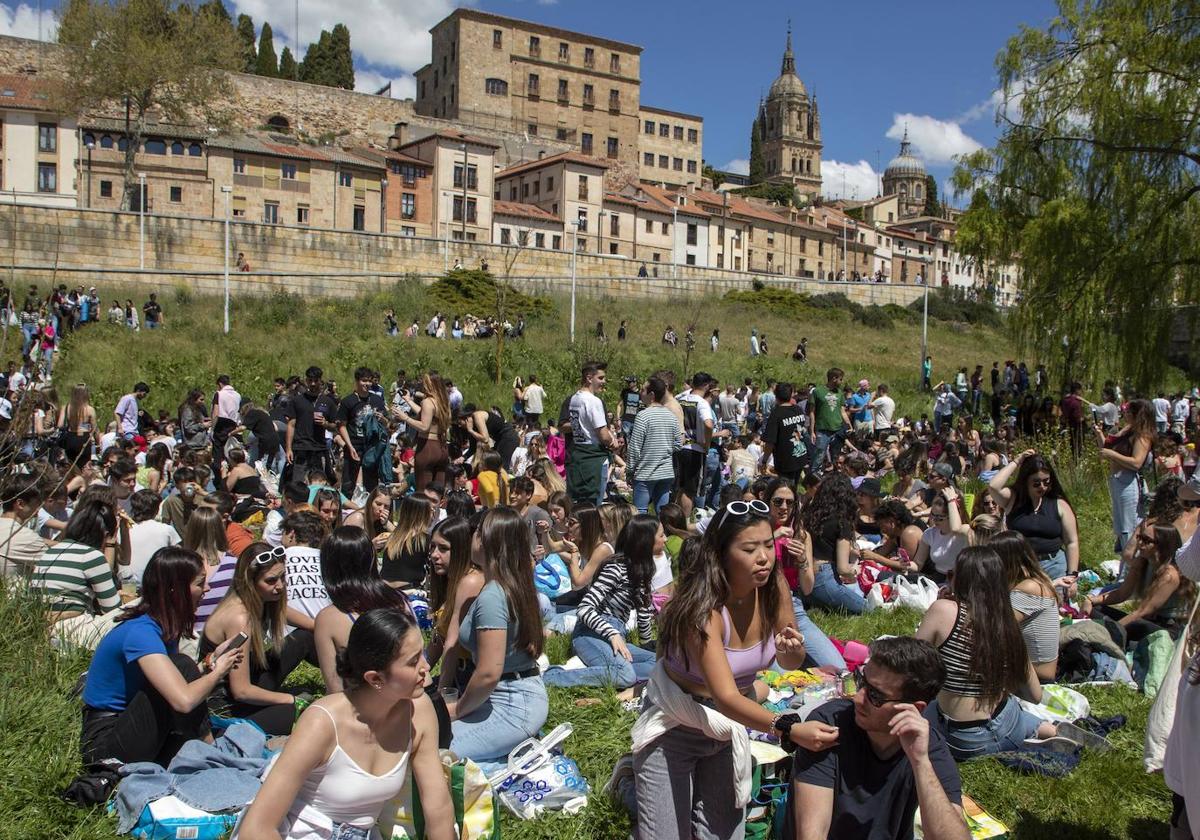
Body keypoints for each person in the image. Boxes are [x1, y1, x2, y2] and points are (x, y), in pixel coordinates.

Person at [633, 500, 836, 839]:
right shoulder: (704, 608)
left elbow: (788, 662)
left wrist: (794, 650)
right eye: (750, 548)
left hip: (727, 727)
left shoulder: (775, 590)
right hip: (676, 724)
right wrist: (787, 728)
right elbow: (725, 697)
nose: (764, 557)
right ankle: (636, 786)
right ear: (722, 553)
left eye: (769, 545)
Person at [235, 609, 454, 840]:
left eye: (422, 655)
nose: (426, 668)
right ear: (375, 678)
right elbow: (257, 828)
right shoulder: (322, 722)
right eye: (413, 662)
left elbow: (437, 806)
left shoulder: (419, 711)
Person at [789, 637, 969, 840]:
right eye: (860, 680)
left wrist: (920, 763)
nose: (857, 697)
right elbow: (811, 834)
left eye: (875, 695)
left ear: (914, 710)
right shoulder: (828, 725)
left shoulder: (928, 747)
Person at [79, 547, 244, 767]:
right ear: (175, 589)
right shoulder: (141, 632)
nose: (207, 588)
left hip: (130, 723)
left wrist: (210, 662)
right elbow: (183, 700)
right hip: (104, 741)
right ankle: (211, 749)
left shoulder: (163, 626)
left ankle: (208, 748)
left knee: (183, 667)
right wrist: (220, 671)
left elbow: (173, 680)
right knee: (183, 665)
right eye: (199, 583)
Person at [915, 546, 1057, 761]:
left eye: (952, 574)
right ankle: (1043, 729)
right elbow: (1035, 696)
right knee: (1010, 708)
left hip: (963, 740)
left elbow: (909, 665)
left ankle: (1036, 730)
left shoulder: (943, 610)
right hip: (1005, 727)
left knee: (930, 709)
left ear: (960, 580)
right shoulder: (1008, 625)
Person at [443, 507, 548, 765]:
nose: (471, 537)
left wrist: (456, 710)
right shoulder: (511, 585)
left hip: (512, 705)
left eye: (477, 531)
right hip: (510, 696)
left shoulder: (493, 595)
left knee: (435, 755)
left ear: (488, 540)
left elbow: (489, 672)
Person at [200, 542, 312, 735]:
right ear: (250, 582)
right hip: (225, 709)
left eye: (283, 577)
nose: (280, 586)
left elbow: (313, 626)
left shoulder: (264, 600)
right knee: (303, 712)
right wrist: (290, 699)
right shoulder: (240, 618)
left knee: (305, 636)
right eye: (271, 581)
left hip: (250, 679)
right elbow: (241, 691)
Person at [543, 514, 660, 689]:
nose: (665, 540)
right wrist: (612, 634)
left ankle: (598, 669)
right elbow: (584, 609)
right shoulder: (616, 568)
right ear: (646, 540)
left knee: (658, 664)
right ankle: (551, 677)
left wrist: (647, 644)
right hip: (590, 633)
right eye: (661, 535)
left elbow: (643, 613)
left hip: (616, 636)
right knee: (626, 675)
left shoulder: (643, 570)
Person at [313, 527, 413, 692]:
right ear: (372, 558)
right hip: (422, 697)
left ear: (328, 568)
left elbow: (335, 689)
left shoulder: (328, 619)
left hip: (375, 709)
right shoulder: (400, 599)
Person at [765, 477, 845, 669]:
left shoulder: (801, 535)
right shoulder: (756, 531)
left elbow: (808, 588)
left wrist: (802, 560)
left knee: (839, 669)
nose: (784, 507)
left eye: (790, 503)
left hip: (793, 607)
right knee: (781, 683)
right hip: (762, 609)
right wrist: (769, 540)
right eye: (778, 501)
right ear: (767, 502)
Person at [1082, 521, 1192, 647]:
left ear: (1161, 546)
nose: (1140, 543)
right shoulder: (1143, 561)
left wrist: (1110, 630)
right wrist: (1091, 600)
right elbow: (1121, 594)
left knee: (1117, 629)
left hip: (1166, 629)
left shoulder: (1169, 575)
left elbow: (1143, 611)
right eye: (1140, 537)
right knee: (1096, 608)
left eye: (1146, 540)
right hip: (1145, 621)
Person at [986, 449, 1080, 579]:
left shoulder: (1059, 504)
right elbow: (993, 486)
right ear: (1026, 481)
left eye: (1046, 481)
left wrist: (1072, 575)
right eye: (1036, 483)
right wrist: (1017, 461)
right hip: (1021, 566)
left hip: (1053, 565)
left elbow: (1071, 542)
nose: (1042, 486)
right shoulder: (1013, 499)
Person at [989, 531, 1060, 682]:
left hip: (1038, 676)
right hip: (1033, 670)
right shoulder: (1037, 580)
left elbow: (993, 628)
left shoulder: (1029, 588)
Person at [1096, 398, 1156, 552]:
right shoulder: (1127, 430)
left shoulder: (1143, 436)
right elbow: (1106, 450)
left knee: (1129, 525)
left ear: (1138, 414)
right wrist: (1099, 434)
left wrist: (1112, 454)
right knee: (1120, 524)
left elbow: (1136, 462)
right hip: (1117, 480)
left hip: (1128, 482)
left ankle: (1131, 562)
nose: (1125, 413)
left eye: (1129, 411)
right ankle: (1124, 559)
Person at [803, 473, 866, 613]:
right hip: (824, 579)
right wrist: (855, 570)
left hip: (804, 579)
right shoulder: (842, 522)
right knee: (869, 609)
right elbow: (843, 569)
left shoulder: (809, 515)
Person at [425, 517, 479, 670]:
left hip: (471, 675)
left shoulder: (470, 582)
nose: (434, 554)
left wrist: (442, 690)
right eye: (432, 547)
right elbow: (438, 641)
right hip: (456, 673)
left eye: (443, 548)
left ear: (461, 550)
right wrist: (421, 671)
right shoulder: (446, 581)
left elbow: (452, 643)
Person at [627, 375, 682, 513]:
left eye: (643, 390)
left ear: (651, 394)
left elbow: (635, 448)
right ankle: (664, 533)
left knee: (640, 512)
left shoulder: (643, 416)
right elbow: (678, 443)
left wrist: (629, 471)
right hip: (666, 473)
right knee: (663, 513)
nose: (640, 392)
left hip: (645, 473)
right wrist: (665, 450)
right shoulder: (670, 415)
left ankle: (644, 535)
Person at [566, 361, 616, 505]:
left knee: (578, 502)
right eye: (600, 378)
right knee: (593, 503)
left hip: (578, 454)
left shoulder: (574, 398)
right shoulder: (593, 401)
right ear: (589, 378)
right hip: (593, 458)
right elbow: (604, 435)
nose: (603, 382)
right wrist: (613, 441)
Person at [397, 373, 451, 492]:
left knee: (423, 490)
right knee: (437, 492)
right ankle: (436, 511)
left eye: (425, 383)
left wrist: (405, 418)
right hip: (442, 447)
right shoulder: (443, 402)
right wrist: (408, 401)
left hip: (427, 446)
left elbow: (424, 426)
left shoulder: (427, 402)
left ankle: (424, 511)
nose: (422, 385)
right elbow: (425, 414)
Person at [676, 372, 717, 515]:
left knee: (679, 488)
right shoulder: (702, 403)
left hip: (679, 446)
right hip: (695, 449)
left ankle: (674, 519)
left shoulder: (680, 399)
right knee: (690, 491)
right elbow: (709, 424)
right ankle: (684, 522)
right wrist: (706, 443)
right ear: (706, 385)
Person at [910, 489, 970, 584]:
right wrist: (906, 564)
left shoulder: (965, 532)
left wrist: (951, 501)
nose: (934, 520)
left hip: (960, 580)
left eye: (940, 518)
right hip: (938, 578)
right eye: (933, 515)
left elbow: (956, 528)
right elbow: (917, 564)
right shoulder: (930, 533)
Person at [126, 489, 181, 586]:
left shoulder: (125, 531)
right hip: (160, 583)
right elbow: (178, 554)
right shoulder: (166, 529)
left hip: (131, 584)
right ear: (156, 509)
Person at [381, 496, 433, 590]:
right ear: (423, 514)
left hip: (384, 590)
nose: (432, 514)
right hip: (408, 591)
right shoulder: (425, 540)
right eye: (431, 510)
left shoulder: (393, 538)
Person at [762, 382, 808, 485]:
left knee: (787, 488)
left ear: (776, 395)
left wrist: (764, 461)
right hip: (801, 456)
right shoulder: (798, 409)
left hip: (786, 461)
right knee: (794, 486)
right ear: (791, 394)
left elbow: (770, 442)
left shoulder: (776, 414)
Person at [808, 368, 848, 476]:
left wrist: (849, 425)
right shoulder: (817, 391)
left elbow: (842, 410)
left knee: (836, 456)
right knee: (819, 455)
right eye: (840, 379)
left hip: (837, 429)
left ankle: (834, 477)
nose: (841, 382)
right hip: (822, 429)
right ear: (834, 378)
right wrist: (812, 431)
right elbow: (811, 412)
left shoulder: (839, 393)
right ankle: (814, 478)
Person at [59, 383, 100, 467]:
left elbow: (60, 425)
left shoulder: (66, 407)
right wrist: (98, 443)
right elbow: (94, 429)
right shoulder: (89, 409)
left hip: (70, 439)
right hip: (84, 439)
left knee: (71, 466)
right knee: (84, 466)